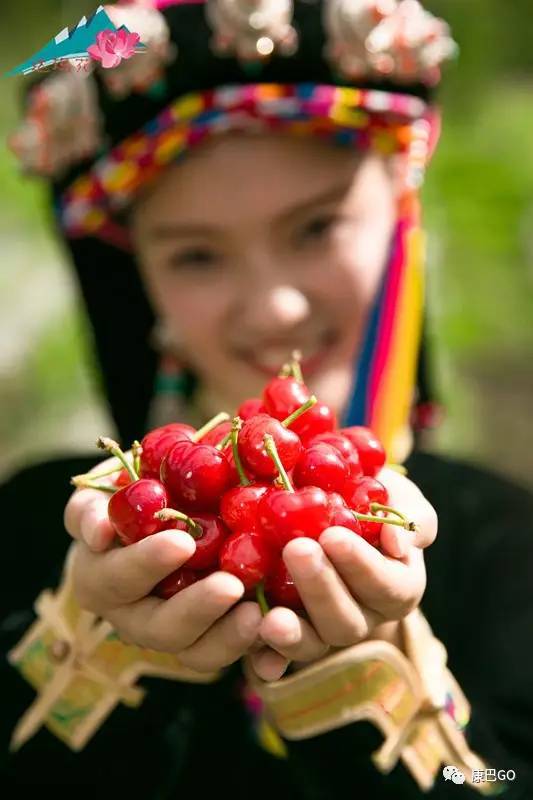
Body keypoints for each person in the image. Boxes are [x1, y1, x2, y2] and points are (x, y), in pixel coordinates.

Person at [1, 1, 532, 798]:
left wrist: (376, 670)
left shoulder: (507, 543)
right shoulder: (36, 525)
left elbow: (495, 779)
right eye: (196, 256)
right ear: (135, 273)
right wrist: (97, 635)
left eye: (315, 228)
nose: (275, 308)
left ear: (398, 211)